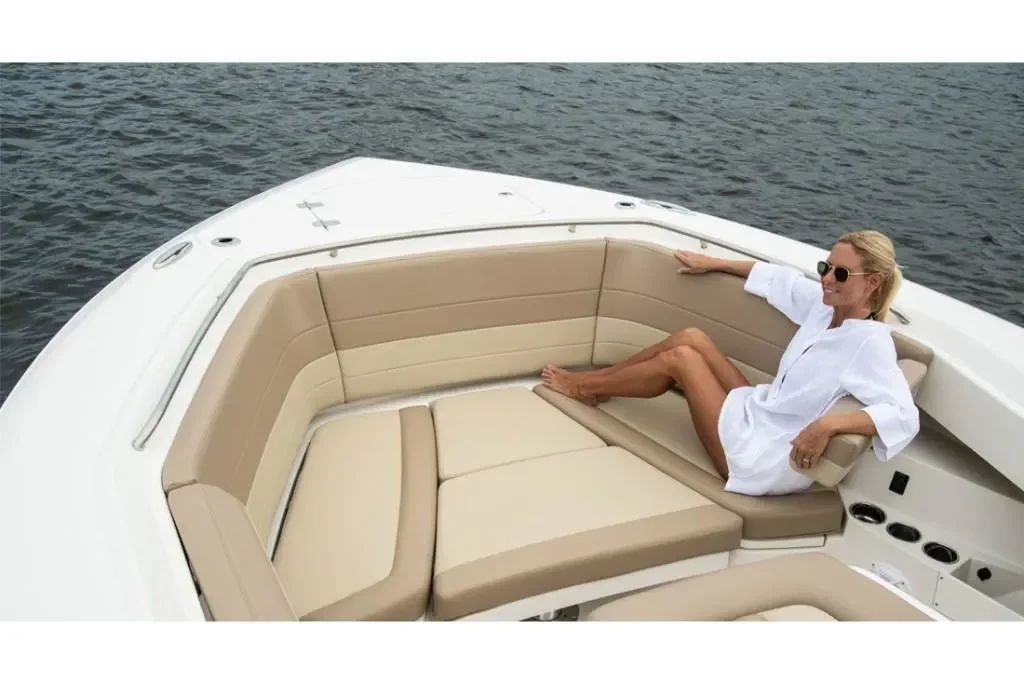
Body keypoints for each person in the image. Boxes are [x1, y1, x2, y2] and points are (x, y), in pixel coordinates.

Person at [541, 230, 920, 496]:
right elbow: (779, 280)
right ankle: (598, 383)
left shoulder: (870, 344)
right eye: (825, 267)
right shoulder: (826, 309)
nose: (827, 279)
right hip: (761, 410)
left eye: (841, 273)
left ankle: (584, 386)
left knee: (681, 359)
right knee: (692, 338)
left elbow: (903, 415)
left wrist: (828, 425)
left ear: (873, 283)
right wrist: (713, 263)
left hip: (763, 457)